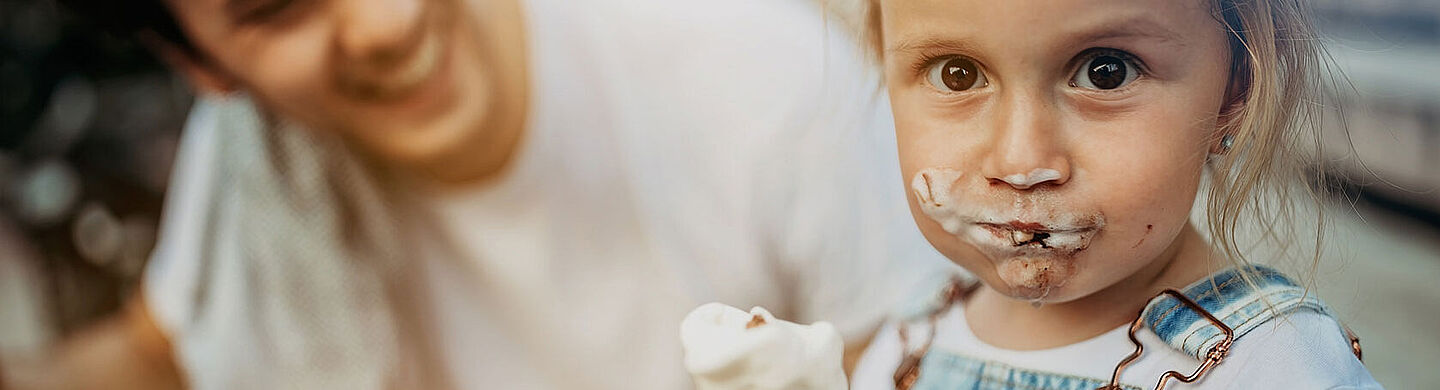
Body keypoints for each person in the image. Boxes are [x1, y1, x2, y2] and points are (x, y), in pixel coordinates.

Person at [1, 0, 953, 389]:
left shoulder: (762, 76)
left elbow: (909, 365)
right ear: (203, 67)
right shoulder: (260, 160)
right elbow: (163, 343)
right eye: (281, 4)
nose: (385, 19)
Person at [849, 0, 1383, 388]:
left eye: (1106, 72)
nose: (1020, 164)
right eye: (958, 75)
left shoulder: (1278, 370)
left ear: (1233, 91)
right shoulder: (911, 337)